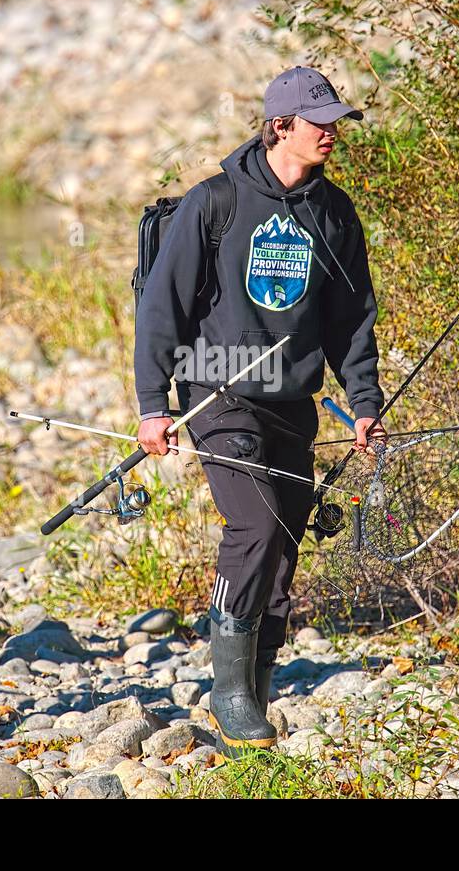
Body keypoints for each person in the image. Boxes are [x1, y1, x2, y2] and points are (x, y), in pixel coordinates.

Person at [134, 66, 387, 751]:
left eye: (335, 120)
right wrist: (152, 405)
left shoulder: (335, 214)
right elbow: (164, 307)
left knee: (285, 544)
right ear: (281, 126)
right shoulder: (214, 202)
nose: (332, 132)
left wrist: (364, 401)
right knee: (252, 527)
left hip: (294, 403)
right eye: (319, 122)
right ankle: (227, 690)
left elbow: (352, 319)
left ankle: (259, 678)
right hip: (217, 396)